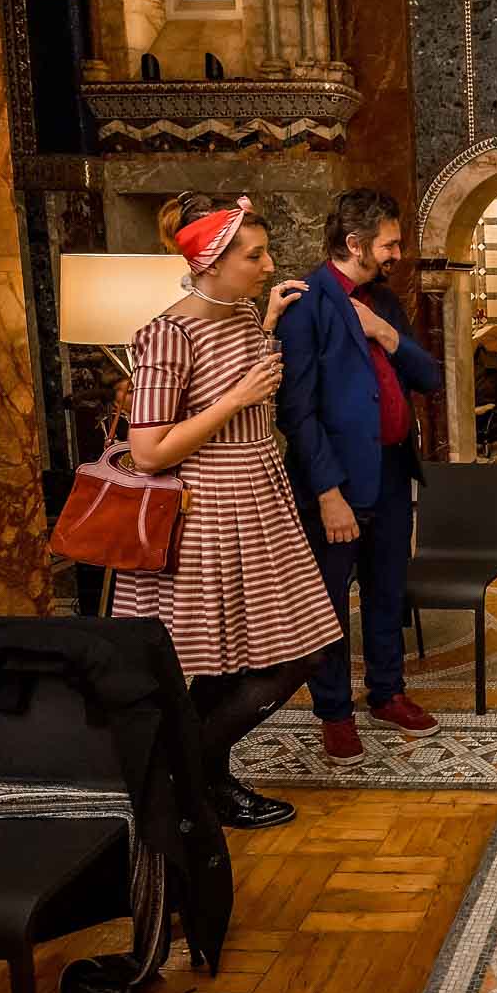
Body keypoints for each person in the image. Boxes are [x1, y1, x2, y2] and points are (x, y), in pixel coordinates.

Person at [119, 191, 341, 831]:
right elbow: (148, 451)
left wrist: (265, 326)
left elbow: (235, 379)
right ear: (210, 261)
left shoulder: (241, 315)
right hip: (206, 509)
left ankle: (196, 775)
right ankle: (198, 780)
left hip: (259, 497)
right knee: (221, 662)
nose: (269, 265)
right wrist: (238, 396)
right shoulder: (168, 334)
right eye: (255, 255)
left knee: (291, 650)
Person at [279, 188, 444, 765]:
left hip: (394, 475)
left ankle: (386, 693)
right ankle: (335, 713)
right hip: (338, 487)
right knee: (328, 603)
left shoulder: (383, 302)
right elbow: (295, 412)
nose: (398, 253)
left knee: (385, 592)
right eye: (389, 243)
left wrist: (382, 331)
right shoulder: (305, 303)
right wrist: (327, 492)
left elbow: (429, 375)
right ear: (355, 244)